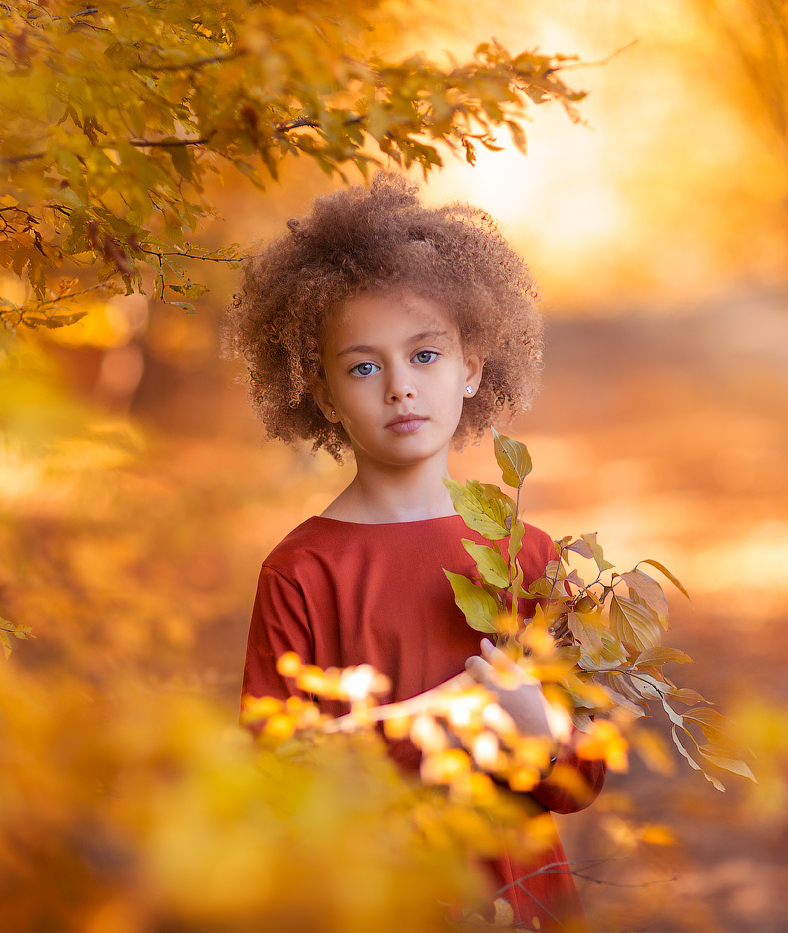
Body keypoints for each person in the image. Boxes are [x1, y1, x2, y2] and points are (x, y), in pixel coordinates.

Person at [225, 173, 606, 931]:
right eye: (364, 367)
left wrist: (540, 727)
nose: (400, 387)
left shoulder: (522, 553)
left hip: (520, 899)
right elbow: (277, 778)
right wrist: (437, 717)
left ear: (471, 366)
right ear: (325, 395)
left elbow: (581, 775)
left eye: (425, 355)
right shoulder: (302, 572)